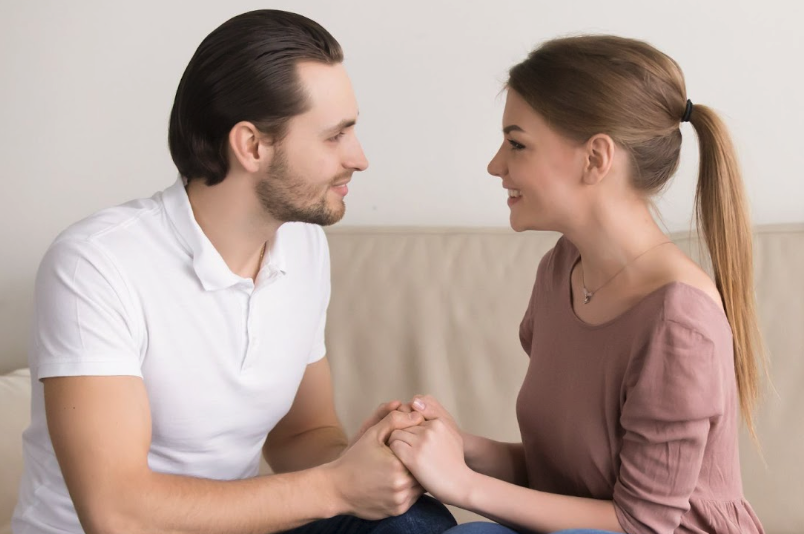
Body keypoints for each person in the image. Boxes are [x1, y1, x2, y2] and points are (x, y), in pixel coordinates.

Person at [12, 10, 456, 534]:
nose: (359, 158)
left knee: (413, 520)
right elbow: (116, 513)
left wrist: (373, 461)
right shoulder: (97, 263)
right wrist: (336, 487)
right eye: (335, 136)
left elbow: (302, 434)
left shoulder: (303, 245)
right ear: (251, 146)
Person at [387, 35, 766, 534]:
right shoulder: (561, 269)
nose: (496, 165)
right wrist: (456, 447)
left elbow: (640, 523)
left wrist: (463, 485)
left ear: (596, 158)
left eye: (517, 143)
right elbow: (568, 477)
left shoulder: (678, 322)